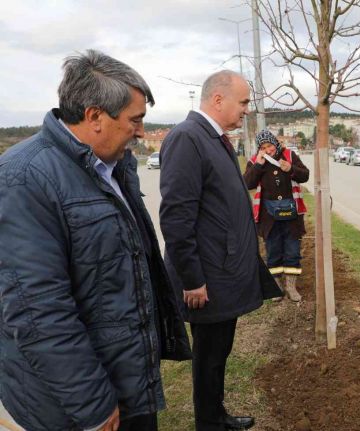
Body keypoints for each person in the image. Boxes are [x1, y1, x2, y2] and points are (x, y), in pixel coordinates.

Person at [0, 50, 191, 431]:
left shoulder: (114, 167)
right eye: (135, 120)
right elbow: (38, 311)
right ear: (94, 116)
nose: (140, 131)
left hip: (124, 380)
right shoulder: (23, 179)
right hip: (71, 406)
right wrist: (93, 405)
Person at [160, 70, 278, 431]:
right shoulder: (187, 138)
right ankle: (209, 423)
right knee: (209, 356)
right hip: (207, 277)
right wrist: (193, 279)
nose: (246, 110)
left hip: (222, 270)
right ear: (217, 99)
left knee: (218, 353)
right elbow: (177, 218)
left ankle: (216, 415)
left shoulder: (214, 138)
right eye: (242, 103)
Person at [244, 130, 310, 301]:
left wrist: (291, 169)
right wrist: (258, 165)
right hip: (268, 218)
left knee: (292, 251)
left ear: (276, 144)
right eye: (263, 148)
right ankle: (277, 287)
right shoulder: (254, 161)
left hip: (291, 216)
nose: (268, 150)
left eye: (270, 146)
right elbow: (247, 183)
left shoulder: (289, 155)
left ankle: (291, 286)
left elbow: (305, 175)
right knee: (273, 251)